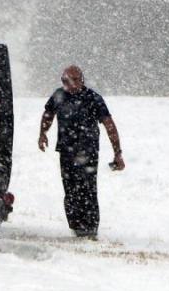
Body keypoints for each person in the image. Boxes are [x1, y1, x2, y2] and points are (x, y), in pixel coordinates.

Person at [38, 65, 124, 238]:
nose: (71, 84)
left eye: (75, 80)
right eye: (66, 81)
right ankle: (77, 226)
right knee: (70, 190)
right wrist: (42, 134)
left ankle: (90, 228)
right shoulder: (59, 95)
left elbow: (109, 125)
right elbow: (48, 114)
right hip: (66, 151)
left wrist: (117, 152)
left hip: (88, 152)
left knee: (88, 189)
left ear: (82, 80)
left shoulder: (93, 98)